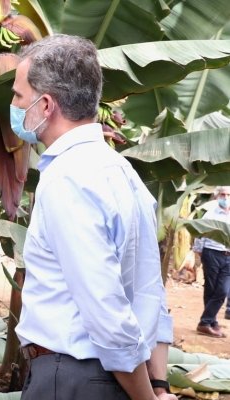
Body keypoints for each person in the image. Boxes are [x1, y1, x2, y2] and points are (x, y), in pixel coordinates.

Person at [10, 35, 176, 400]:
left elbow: (105, 307)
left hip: (73, 379)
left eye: (19, 96)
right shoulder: (121, 171)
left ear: (46, 104)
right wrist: (159, 384)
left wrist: (146, 398)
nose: (14, 106)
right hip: (114, 378)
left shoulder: (68, 177)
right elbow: (149, 287)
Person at [192, 186, 230, 338]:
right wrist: (199, 250)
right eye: (222, 194)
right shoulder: (211, 213)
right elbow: (200, 232)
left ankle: (205, 322)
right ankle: (211, 322)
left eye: (228, 194)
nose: (225, 197)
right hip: (212, 252)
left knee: (222, 290)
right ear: (217, 196)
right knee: (211, 288)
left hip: (228, 255)